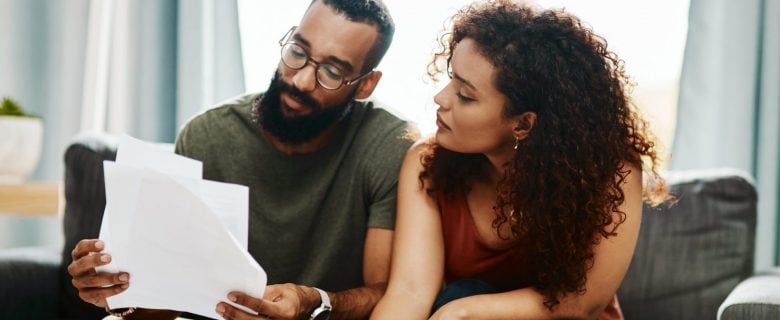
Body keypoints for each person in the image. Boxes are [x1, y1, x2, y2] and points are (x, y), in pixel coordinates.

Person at [67, 0, 415, 319]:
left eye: (332, 72)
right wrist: (120, 292)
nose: (302, 80)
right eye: (298, 52)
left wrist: (314, 302)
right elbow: (170, 301)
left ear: (366, 85)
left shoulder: (387, 145)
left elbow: (387, 292)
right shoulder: (208, 136)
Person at [371, 1, 669, 319]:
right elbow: (410, 292)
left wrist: (462, 311)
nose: (441, 98)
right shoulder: (425, 162)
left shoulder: (613, 172)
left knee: (460, 296)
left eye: (466, 95)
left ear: (524, 124)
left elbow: (583, 303)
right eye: (451, 78)